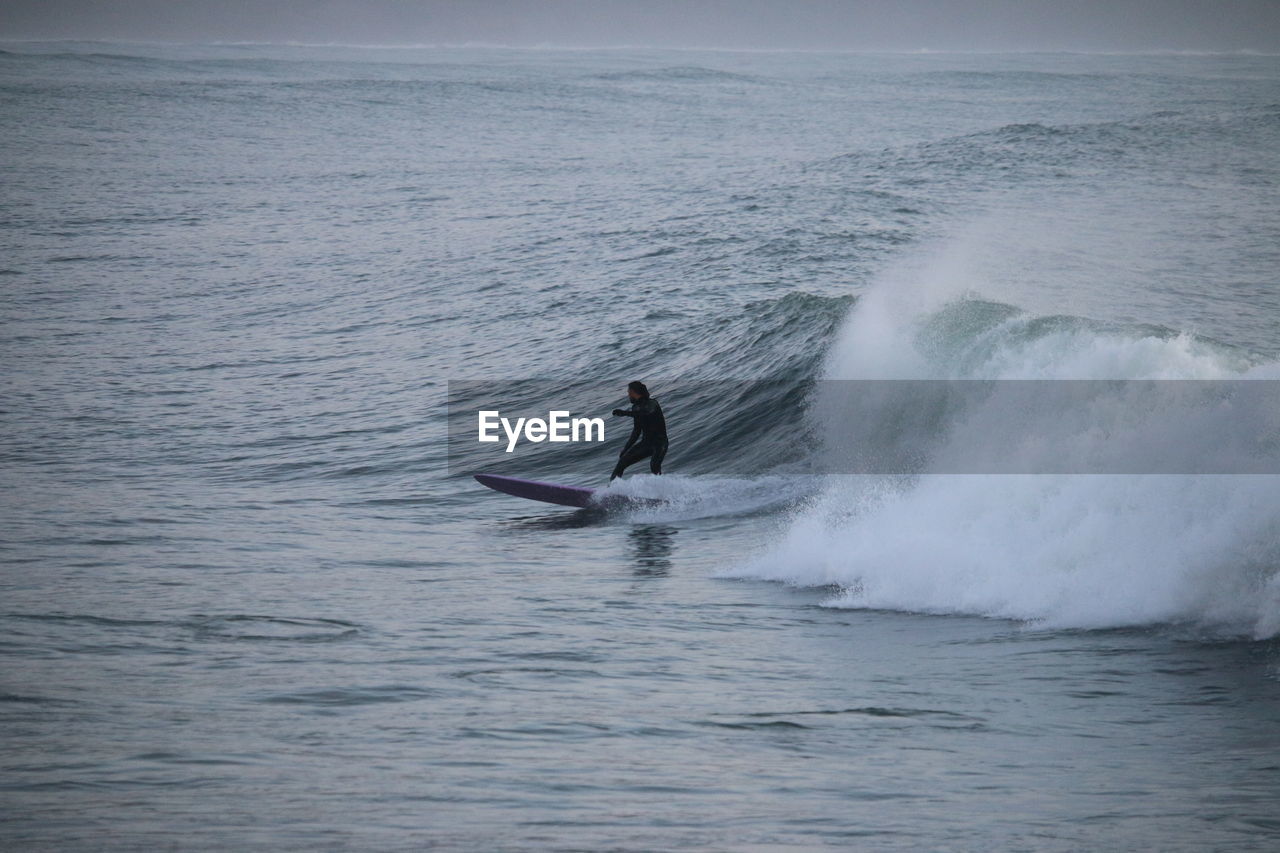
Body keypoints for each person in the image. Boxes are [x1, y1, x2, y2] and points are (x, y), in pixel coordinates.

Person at [610, 381, 667, 481]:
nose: (628, 395)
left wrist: (625, 413)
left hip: (660, 443)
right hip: (646, 443)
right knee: (621, 463)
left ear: (632, 392)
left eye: (628, 393)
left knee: (654, 466)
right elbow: (636, 431)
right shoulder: (635, 408)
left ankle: (662, 491)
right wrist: (626, 448)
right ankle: (611, 490)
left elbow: (645, 412)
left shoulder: (652, 403)